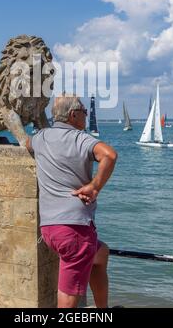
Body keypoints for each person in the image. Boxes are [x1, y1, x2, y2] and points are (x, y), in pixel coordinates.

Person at [26, 94, 118, 308]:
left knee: (100, 254)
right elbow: (109, 156)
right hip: (74, 230)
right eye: (84, 112)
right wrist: (95, 186)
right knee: (68, 299)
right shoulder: (81, 138)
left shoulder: (41, 138)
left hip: (50, 228)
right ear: (73, 115)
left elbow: (28, 145)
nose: (86, 116)